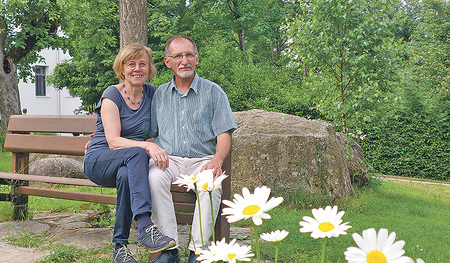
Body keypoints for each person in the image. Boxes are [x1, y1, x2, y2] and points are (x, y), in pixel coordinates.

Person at [148, 35, 237, 263]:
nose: (184, 60)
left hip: (202, 160)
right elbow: (150, 134)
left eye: (189, 55)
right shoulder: (159, 95)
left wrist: (217, 160)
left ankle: (198, 252)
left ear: (197, 59)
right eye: (177, 56)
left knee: (210, 184)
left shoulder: (214, 92)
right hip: (170, 160)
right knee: (153, 178)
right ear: (168, 62)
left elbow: (224, 134)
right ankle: (168, 249)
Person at [83, 43, 175, 263]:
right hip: (100, 159)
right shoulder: (111, 95)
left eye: (142, 64)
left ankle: (120, 247)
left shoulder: (152, 93)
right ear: (121, 69)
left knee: (126, 175)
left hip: (129, 163)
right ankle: (144, 224)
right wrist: (146, 146)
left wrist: (150, 143)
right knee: (137, 153)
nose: (137, 68)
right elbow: (113, 141)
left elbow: (157, 129)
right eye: (131, 64)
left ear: (149, 68)